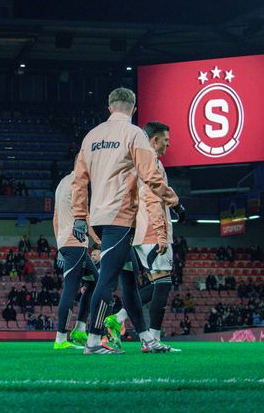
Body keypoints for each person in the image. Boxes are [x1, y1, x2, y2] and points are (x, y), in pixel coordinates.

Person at [71, 87, 180, 355]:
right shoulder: (134, 134)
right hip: (119, 218)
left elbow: (79, 180)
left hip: (99, 217)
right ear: (134, 109)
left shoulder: (91, 136)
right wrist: (173, 200)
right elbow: (150, 176)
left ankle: (146, 339)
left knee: (129, 280)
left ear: (110, 107)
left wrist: (79, 215)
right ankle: (93, 341)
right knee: (108, 280)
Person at [105, 121, 185, 352]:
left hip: (140, 229)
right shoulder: (151, 162)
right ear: (154, 140)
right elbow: (152, 199)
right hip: (151, 228)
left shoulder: (138, 160)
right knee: (163, 282)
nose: (168, 145)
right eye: (166, 140)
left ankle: (119, 318)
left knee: (157, 282)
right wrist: (161, 234)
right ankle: (153, 338)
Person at [52, 168, 100, 350]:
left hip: (67, 242)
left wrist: (59, 245)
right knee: (70, 290)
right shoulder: (79, 184)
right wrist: (99, 240)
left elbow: (56, 217)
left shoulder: (62, 183)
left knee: (95, 281)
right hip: (76, 243)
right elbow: (85, 216)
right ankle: (60, 339)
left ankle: (79, 328)